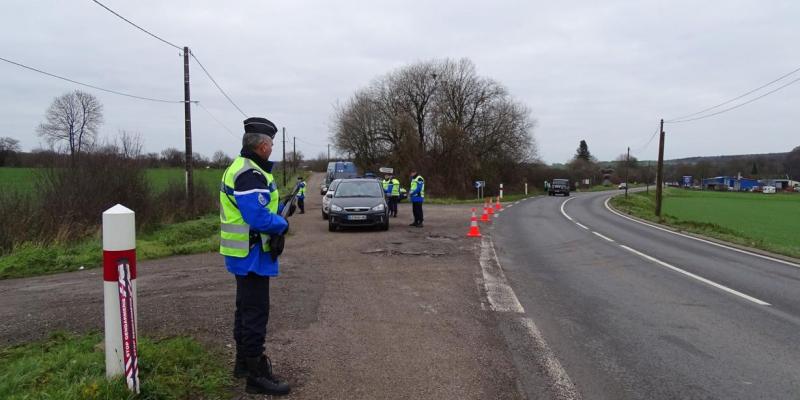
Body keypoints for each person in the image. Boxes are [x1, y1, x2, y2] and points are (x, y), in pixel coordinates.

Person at [219, 116, 291, 396]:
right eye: (271, 143)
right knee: (255, 314)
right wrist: (282, 223)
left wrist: (281, 208)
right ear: (262, 146)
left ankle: (242, 365)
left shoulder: (242, 167)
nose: (272, 148)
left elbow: (259, 206)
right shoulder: (250, 173)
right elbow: (257, 216)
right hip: (251, 254)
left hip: (242, 253)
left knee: (245, 311)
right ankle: (255, 376)